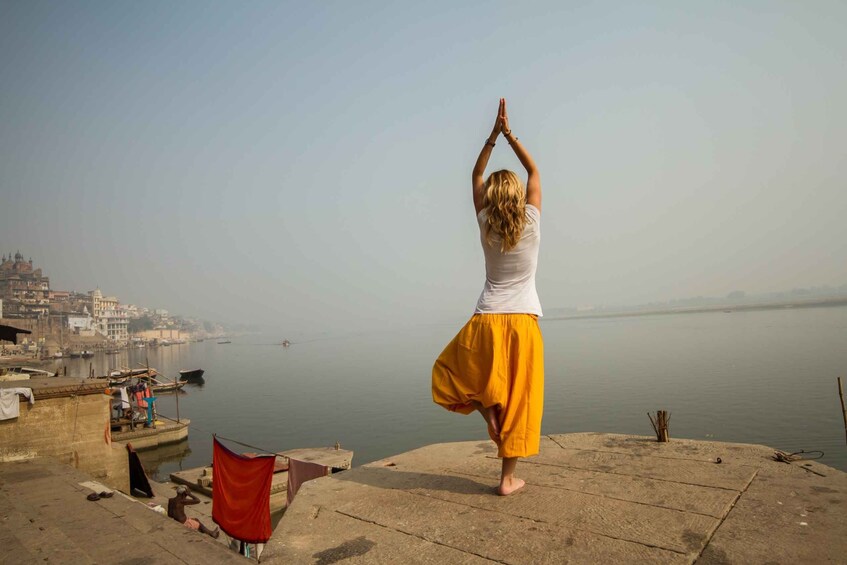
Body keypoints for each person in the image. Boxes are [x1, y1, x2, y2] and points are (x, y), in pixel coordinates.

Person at [432, 98, 543, 496]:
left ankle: (486, 411)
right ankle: (507, 480)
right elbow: (533, 169)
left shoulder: (484, 223)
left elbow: (476, 172)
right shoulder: (531, 220)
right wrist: (511, 134)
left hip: (487, 320)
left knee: (447, 374)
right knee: (520, 400)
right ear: (517, 197)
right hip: (523, 323)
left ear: (492, 199)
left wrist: (493, 136)